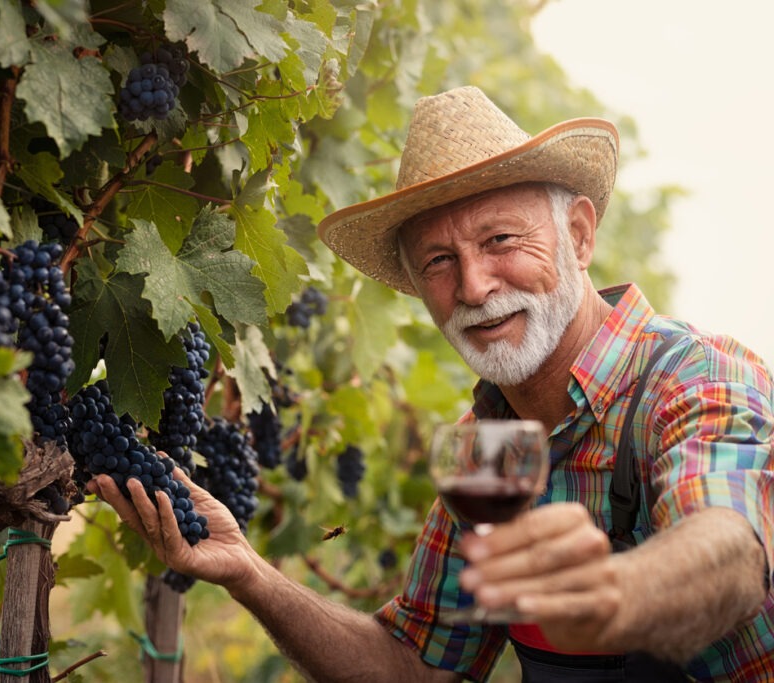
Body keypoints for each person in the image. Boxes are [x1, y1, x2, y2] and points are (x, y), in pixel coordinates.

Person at [89, 86, 774, 681]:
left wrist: (614, 595)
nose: (474, 286)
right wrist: (248, 570)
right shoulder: (487, 448)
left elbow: (732, 553)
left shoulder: (696, 375)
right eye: (440, 261)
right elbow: (412, 664)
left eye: (502, 239)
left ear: (579, 234)